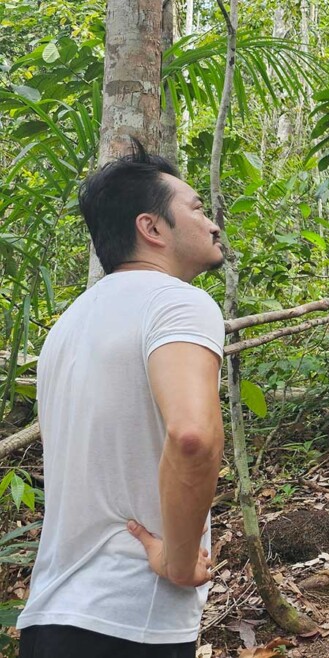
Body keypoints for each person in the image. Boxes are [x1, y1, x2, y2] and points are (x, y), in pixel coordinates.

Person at [17, 139, 225, 657]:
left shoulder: (67, 325)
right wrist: (179, 560)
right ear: (151, 228)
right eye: (197, 209)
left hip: (50, 615)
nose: (212, 222)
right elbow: (193, 436)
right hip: (132, 616)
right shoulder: (178, 302)